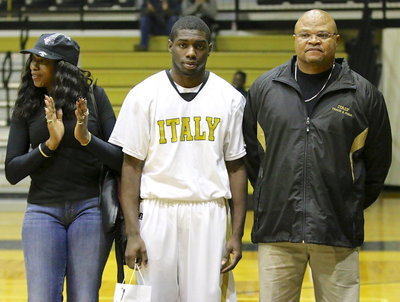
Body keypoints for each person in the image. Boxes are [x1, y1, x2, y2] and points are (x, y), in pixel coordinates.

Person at [243, 9, 391, 302]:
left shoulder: (363, 93)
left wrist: (348, 203)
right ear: (294, 39)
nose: (314, 41)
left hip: (336, 229)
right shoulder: (264, 89)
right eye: (306, 35)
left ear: (336, 40)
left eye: (322, 35)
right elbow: (251, 155)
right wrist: (271, 194)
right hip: (277, 229)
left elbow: (377, 162)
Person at [110, 15, 247, 302]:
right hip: (157, 211)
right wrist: (132, 233)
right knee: (154, 297)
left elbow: (236, 167)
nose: (191, 53)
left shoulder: (229, 98)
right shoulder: (143, 95)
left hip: (208, 211)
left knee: (207, 297)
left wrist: (236, 233)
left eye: (199, 46)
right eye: (183, 45)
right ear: (170, 46)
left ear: (209, 48)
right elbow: (131, 169)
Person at [5, 33, 123, 301]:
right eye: (32, 61)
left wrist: (87, 139)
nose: (33, 66)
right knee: (42, 297)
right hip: (42, 212)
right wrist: (49, 145)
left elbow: (119, 158)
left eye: (41, 61)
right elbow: (12, 171)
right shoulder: (27, 104)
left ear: (63, 68)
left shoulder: (94, 98)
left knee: (84, 297)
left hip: (90, 211)